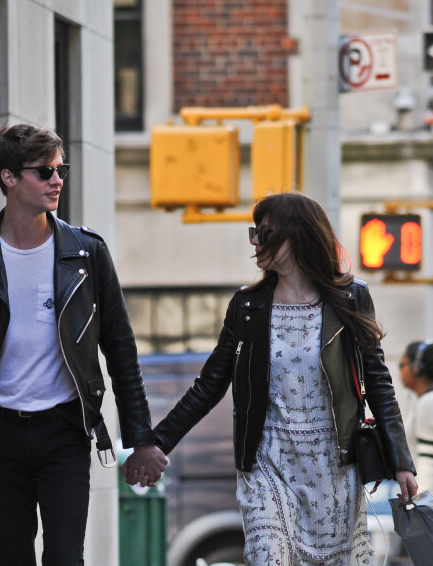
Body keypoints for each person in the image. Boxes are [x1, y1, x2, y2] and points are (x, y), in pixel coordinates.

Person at [125, 192, 417, 565]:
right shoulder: (248, 306)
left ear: (298, 236)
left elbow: (378, 382)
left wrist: (401, 461)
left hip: (333, 467)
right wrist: (157, 443)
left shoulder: (350, 299)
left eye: (264, 233)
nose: (255, 242)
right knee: (269, 556)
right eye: (254, 232)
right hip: (268, 463)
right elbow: (211, 383)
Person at [0, 122, 167, 566]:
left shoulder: (85, 253)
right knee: (13, 558)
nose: (57, 180)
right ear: (9, 178)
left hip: (65, 430)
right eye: (45, 172)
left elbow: (121, 350)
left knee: (63, 557)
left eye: (61, 170)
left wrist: (141, 439)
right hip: (0, 431)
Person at [399, 340, 433, 490]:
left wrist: (421, 504)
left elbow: (428, 462)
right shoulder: (424, 401)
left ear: (416, 367)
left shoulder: (428, 402)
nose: (400, 372)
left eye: (402, 365)